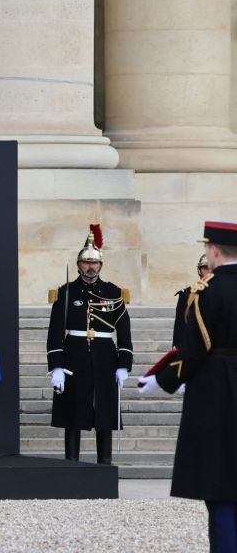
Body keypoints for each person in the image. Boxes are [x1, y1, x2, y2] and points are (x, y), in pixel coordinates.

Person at [139, 221, 237, 553]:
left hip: (217, 392)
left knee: (221, 486)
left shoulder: (206, 292)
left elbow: (193, 351)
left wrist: (162, 380)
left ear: (213, 251)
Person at [46, 224, 133, 464]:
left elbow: (123, 330)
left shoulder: (113, 292)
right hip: (75, 355)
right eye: (86, 263)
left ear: (101, 266)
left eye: (95, 263)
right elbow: (55, 333)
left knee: (104, 411)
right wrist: (56, 366)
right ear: (78, 265)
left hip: (105, 356)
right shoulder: (66, 293)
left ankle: (104, 464)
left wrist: (124, 364)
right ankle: (71, 462)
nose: (90, 267)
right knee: (73, 411)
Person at [173, 253, 212, 349]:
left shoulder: (226, 292)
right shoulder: (186, 294)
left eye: (212, 267)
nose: (209, 271)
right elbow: (180, 327)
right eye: (205, 268)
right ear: (199, 270)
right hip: (194, 347)